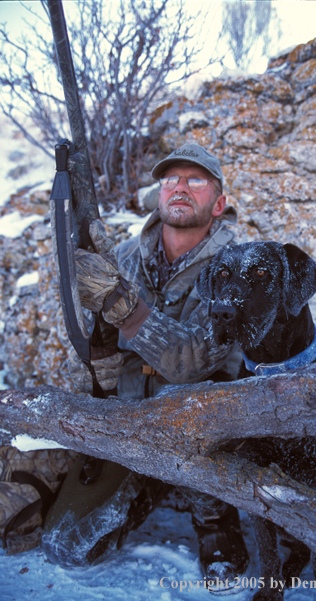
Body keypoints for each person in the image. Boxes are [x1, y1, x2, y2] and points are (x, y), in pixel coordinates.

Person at [41, 143, 250, 590]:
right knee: (69, 545)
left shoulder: (238, 268)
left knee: (201, 425)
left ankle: (214, 518)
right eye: (170, 179)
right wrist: (76, 257)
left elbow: (193, 362)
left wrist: (122, 306)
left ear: (219, 203)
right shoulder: (125, 255)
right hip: (129, 421)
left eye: (195, 180)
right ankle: (143, 484)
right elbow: (90, 337)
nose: (179, 187)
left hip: (201, 426)